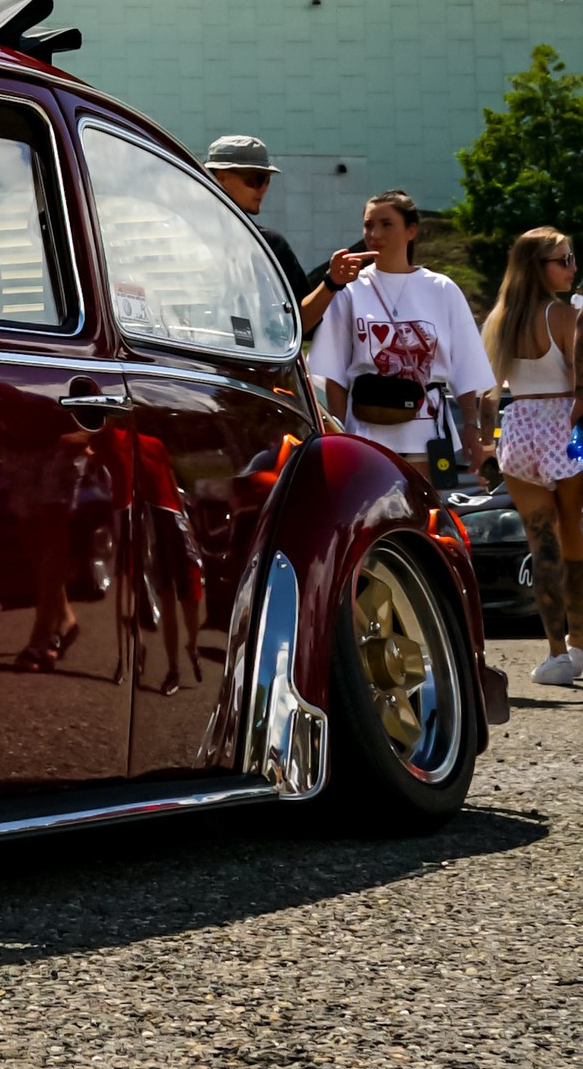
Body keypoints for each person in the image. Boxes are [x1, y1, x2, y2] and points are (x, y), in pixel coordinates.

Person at [307, 188, 496, 508]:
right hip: (367, 432)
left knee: (425, 516)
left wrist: (470, 426)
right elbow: (334, 373)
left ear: (411, 231)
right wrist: (339, 437)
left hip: (427, 433)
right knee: (371, 517)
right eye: (369, 225)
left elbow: (465, 366)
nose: (375, 234)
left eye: (386, 224)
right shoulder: (350, 289)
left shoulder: (441, 289)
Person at [482, 226, 583, 690]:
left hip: (520, 426)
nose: (572, 268)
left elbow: (488, 391)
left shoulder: (499, 319)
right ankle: (578, 645)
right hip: (563, 422)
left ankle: (556, 653)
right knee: (574, 539)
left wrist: (484, 442)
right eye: (564, 260)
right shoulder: (563, 315)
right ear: (538, 267)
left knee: (541, 543)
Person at [205, 134, 357, 339]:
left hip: (252, 357)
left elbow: (302, 325)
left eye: (266, 180)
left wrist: (331, 283)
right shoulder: (183, 237)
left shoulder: (270, 245)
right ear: (221, 177)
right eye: (255, 179)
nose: (263, 189)